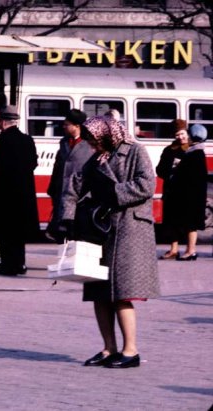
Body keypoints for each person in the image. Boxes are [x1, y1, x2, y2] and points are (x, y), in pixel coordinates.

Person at [60, 115, 160, 368]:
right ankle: (108, 348)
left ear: (106, 133)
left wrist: (114, 193)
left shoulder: (135, 151)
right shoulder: (98, 158)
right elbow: (75, 184)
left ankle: (130, 350)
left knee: (121, 293)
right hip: (100, 230)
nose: (92, 145)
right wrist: (67, 217)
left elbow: (147, 185)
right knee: (98, 291)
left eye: (94, 140)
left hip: (129, 228)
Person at [0, 105, 39, 276]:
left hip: (5, 195)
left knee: (5, 232)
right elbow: (33, 163)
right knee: (18, 234)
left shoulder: (3, 140)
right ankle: (20, 263)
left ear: (3, 122)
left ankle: (9, 265)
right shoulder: (27, 139)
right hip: (23, 195)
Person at [156, 120, 208, 261]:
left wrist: (179, 168)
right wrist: (171, 168)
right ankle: (173, 250)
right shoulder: (169, 150)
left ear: (188, 133)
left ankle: (191, 250)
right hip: (172, 191)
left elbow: (197, 174)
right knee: (172, 222)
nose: (181, 137)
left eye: (183, 133)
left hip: (188, 193)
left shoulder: (194, 150)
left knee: (191, 222)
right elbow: (160, 170)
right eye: (177, 134)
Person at [45, 109, 94, 243]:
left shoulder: (90, 144)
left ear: (77, 126)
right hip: (61, 192)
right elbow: (57, 166)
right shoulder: (64, 142)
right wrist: (53, 188)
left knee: (76, 231)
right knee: (61, 231)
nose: (64, 127)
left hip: (80, 194)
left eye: (67, 124)